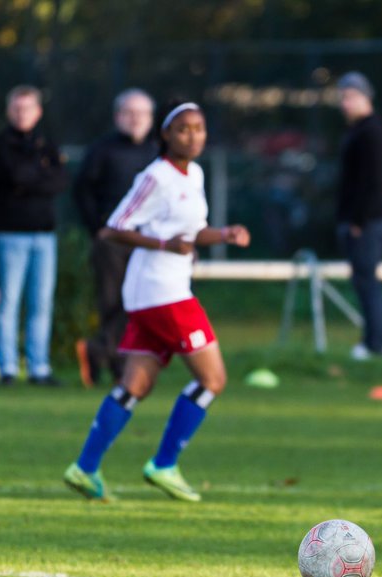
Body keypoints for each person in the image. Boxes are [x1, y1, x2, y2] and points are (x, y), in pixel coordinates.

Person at [62, 102, 251, 503]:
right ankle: (164, 464)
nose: (193, 135)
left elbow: (192, 231)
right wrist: (164, 244)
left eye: (199, 128)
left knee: (135, 386)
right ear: (165, 134)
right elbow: (113, 230)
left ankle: (84, 468)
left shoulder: (194, 173)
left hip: (161, 291)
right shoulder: (155, 176)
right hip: (161, 291)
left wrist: (225, 234)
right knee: (212, 379)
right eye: (183, 129)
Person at [73, 88, 157, 386]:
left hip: (148, 241)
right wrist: (97, 229)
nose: (135, 119)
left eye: (141, 113)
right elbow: (82, 190)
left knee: (139, 301)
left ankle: (105, 352)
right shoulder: (102, 150)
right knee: (112, 299)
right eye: (129, 113)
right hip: (113, 240)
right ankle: (115, 361)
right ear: (118, 116)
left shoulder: (157, 151)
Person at [0, 85, 67, 385]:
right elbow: (15, 176)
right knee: (8, 302)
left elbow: (59, 182)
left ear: (38, 112)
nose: (22, 114)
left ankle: (39, 367)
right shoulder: (0, 144)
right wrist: (40, 173)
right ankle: (7, 367)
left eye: (28, 108)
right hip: (11, 234)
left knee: (41, 303)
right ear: (10, 111)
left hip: (44, 235)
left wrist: (31, 178)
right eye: (17, 108)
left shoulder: (48, 143)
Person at [335, 71, 382, 361]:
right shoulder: (359, 129)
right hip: (361, 220)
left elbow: (372, 183)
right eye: (342, 98)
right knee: (363, 282)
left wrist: (358, 221)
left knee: (367, 282)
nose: (344, 103)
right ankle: (373, 342)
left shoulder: (372, 131)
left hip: (367, 222)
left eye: (349, 97)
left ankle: (376, 345)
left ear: (365, 97)